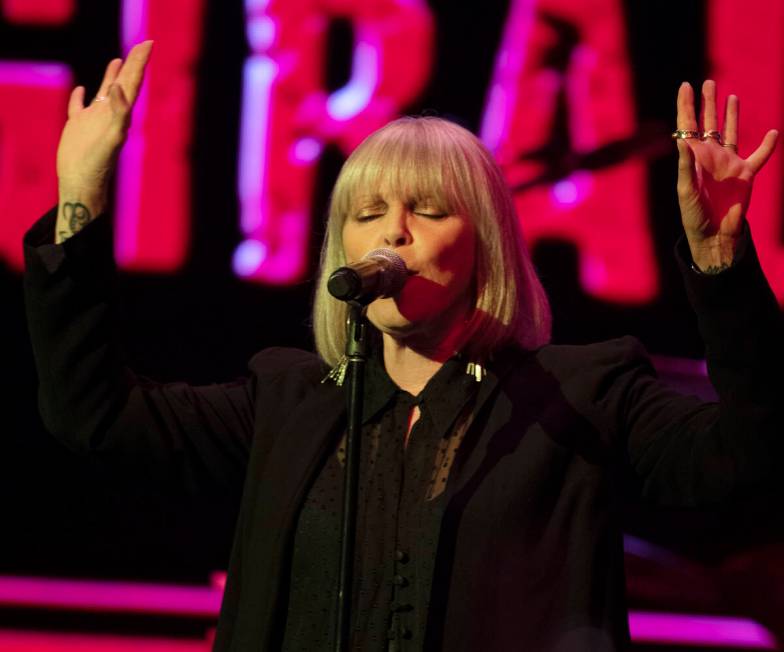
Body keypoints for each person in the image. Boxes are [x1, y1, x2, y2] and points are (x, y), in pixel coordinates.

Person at [23, 41, 783, 651]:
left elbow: (750, 450)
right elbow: (94, 415)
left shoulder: (580, 393)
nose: (392, 232)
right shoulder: (288, 402)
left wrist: (720, 265)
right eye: (369, 211)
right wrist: (79, 198)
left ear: (482, 242)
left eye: (425, 209)